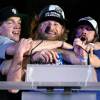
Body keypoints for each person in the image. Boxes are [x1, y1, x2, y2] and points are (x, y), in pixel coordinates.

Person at [0, 6, 72, 93]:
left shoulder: (73, 51)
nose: (51, 28)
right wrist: (32, 58)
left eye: (56, 24)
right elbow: (12, 84)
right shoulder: (24, 50)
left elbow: (88, 64)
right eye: (46, 23)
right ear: (37, 27)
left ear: (63, 29)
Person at [62, 16, 100, 81]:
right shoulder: (67, 48)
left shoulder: (97, 49)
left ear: (95, 35)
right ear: (76, 32)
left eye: (88, 29)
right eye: (81, 28)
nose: (84, 31)